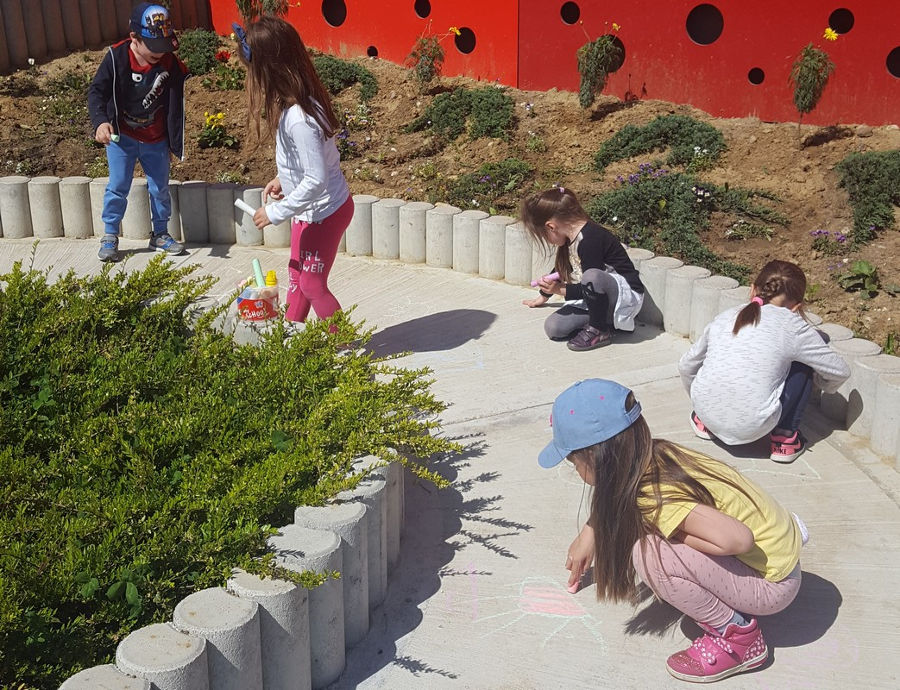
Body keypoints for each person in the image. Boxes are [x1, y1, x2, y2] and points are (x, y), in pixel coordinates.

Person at [539, 378, 804, 683]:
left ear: (597, 459)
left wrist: (672, 532)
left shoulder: (655, 495)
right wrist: (591, 530)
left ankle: (738, 641)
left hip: (774, 585)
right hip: (780, 557)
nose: (575, 470)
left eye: (574, 462)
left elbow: (738, 539)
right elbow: (618, 491)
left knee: (651, 555)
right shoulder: (657, 454)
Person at [235, 17, 353, 326]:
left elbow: (316, 179)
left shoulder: (300, 119)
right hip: (310, 212)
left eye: (253, 71)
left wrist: (276, 212)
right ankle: (289, 337)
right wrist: (283, 180)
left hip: (324, 214)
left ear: (269, 69)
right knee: (297, 277)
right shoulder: (295, 105)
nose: (252, 79)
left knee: (312, 284)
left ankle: (346, 344)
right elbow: (311, 163)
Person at [678, 260, 849, 462]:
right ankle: (785, 439)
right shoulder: (793, 326)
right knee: (804, 363)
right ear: (796, 307)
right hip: (751, 427)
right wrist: (821, 384)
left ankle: (704, 421)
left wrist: (701, 400)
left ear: (752, 290)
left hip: (705, 412)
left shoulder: (727, 316)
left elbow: (686, 365)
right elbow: (840, 371)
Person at [88, 3, 187, 262]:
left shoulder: (169, 62)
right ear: (134, 38)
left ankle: (161, 233)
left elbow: (178, 95)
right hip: (122, 137)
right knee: (118, 185)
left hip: (156, 138)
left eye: (163, 46)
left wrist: (174, 139)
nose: (159, 53)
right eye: (153, 47)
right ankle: (110, 234)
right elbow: (97, 92)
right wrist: (100, 122)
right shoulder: (116, 57)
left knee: (159, 187)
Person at [520, 187, 645, 351]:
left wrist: (559, 289)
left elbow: (590, 284)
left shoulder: (590, 240)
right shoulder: (570, 239)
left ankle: (599, 330)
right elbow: (562, 269)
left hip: (623, 296)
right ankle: (605, 322)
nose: (548, 241)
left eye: (544, 236)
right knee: (554, 327)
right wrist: (544, 295)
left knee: (591, 276)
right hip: (596, 298)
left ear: (551, 227)